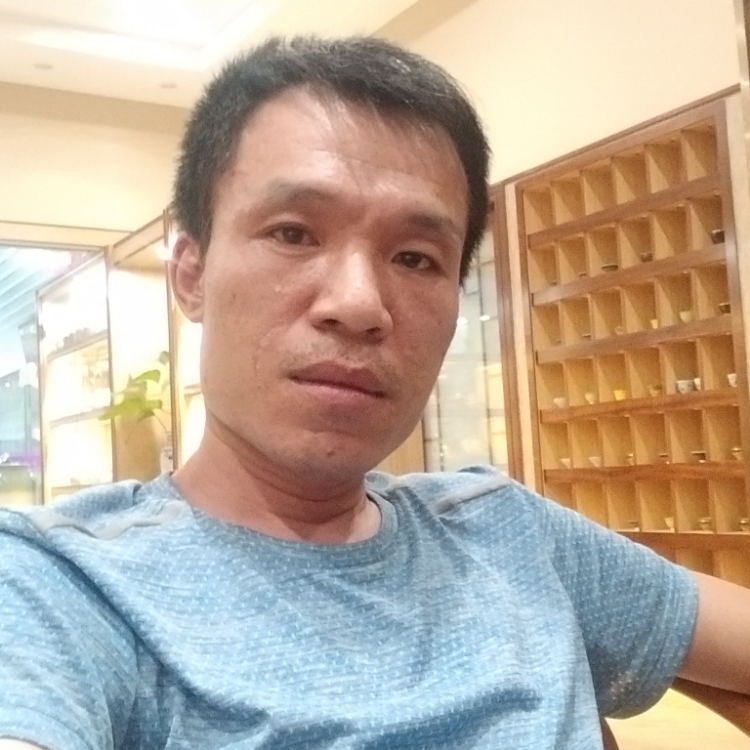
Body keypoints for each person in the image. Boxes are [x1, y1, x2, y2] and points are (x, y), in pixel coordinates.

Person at [0, 35, 748, 750]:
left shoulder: (507, 530)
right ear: (191, 275)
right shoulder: (63, 583)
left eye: (416, 258)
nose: (359, 304)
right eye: (294, 233)